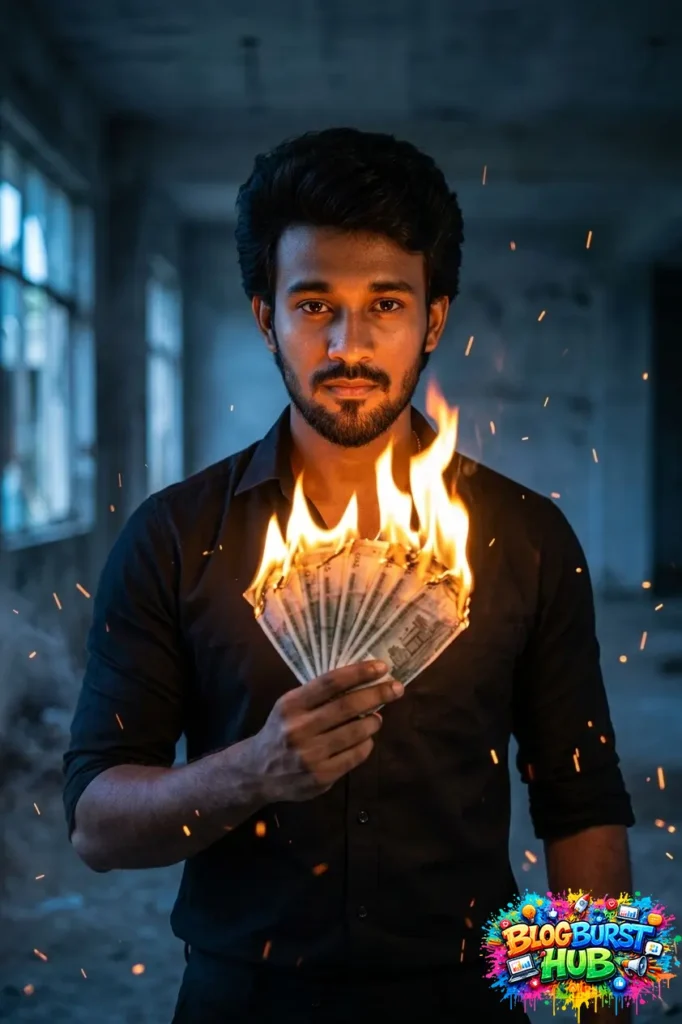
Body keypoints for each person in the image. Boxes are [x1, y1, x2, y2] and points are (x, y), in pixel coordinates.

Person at [63, 128, 635, 1023]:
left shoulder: (526, 537)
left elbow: (582, 804)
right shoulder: (174, 538)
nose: (348, 344)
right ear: (266, 317)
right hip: (241, 1000)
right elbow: (95, 827)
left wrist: (597, 1008)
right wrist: (250, 772)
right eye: (314, 303)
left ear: (434, 318)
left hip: (469, 996)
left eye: (387, 304)